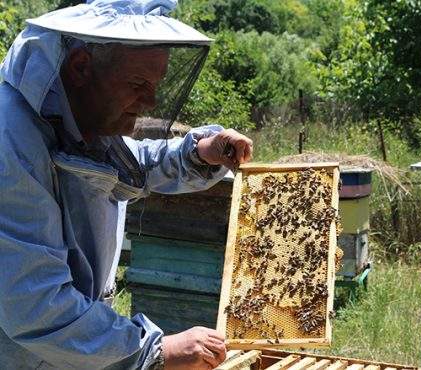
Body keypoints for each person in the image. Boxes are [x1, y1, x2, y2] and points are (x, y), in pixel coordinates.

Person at [0, 0, 253, 368]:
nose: (150, 100)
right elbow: (36, 305)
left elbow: (131, 165)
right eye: (138, 83)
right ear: (80, 67)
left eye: (156, 85)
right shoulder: (10, 143)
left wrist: (199, 152)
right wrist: (156, 350)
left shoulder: (74, 114)